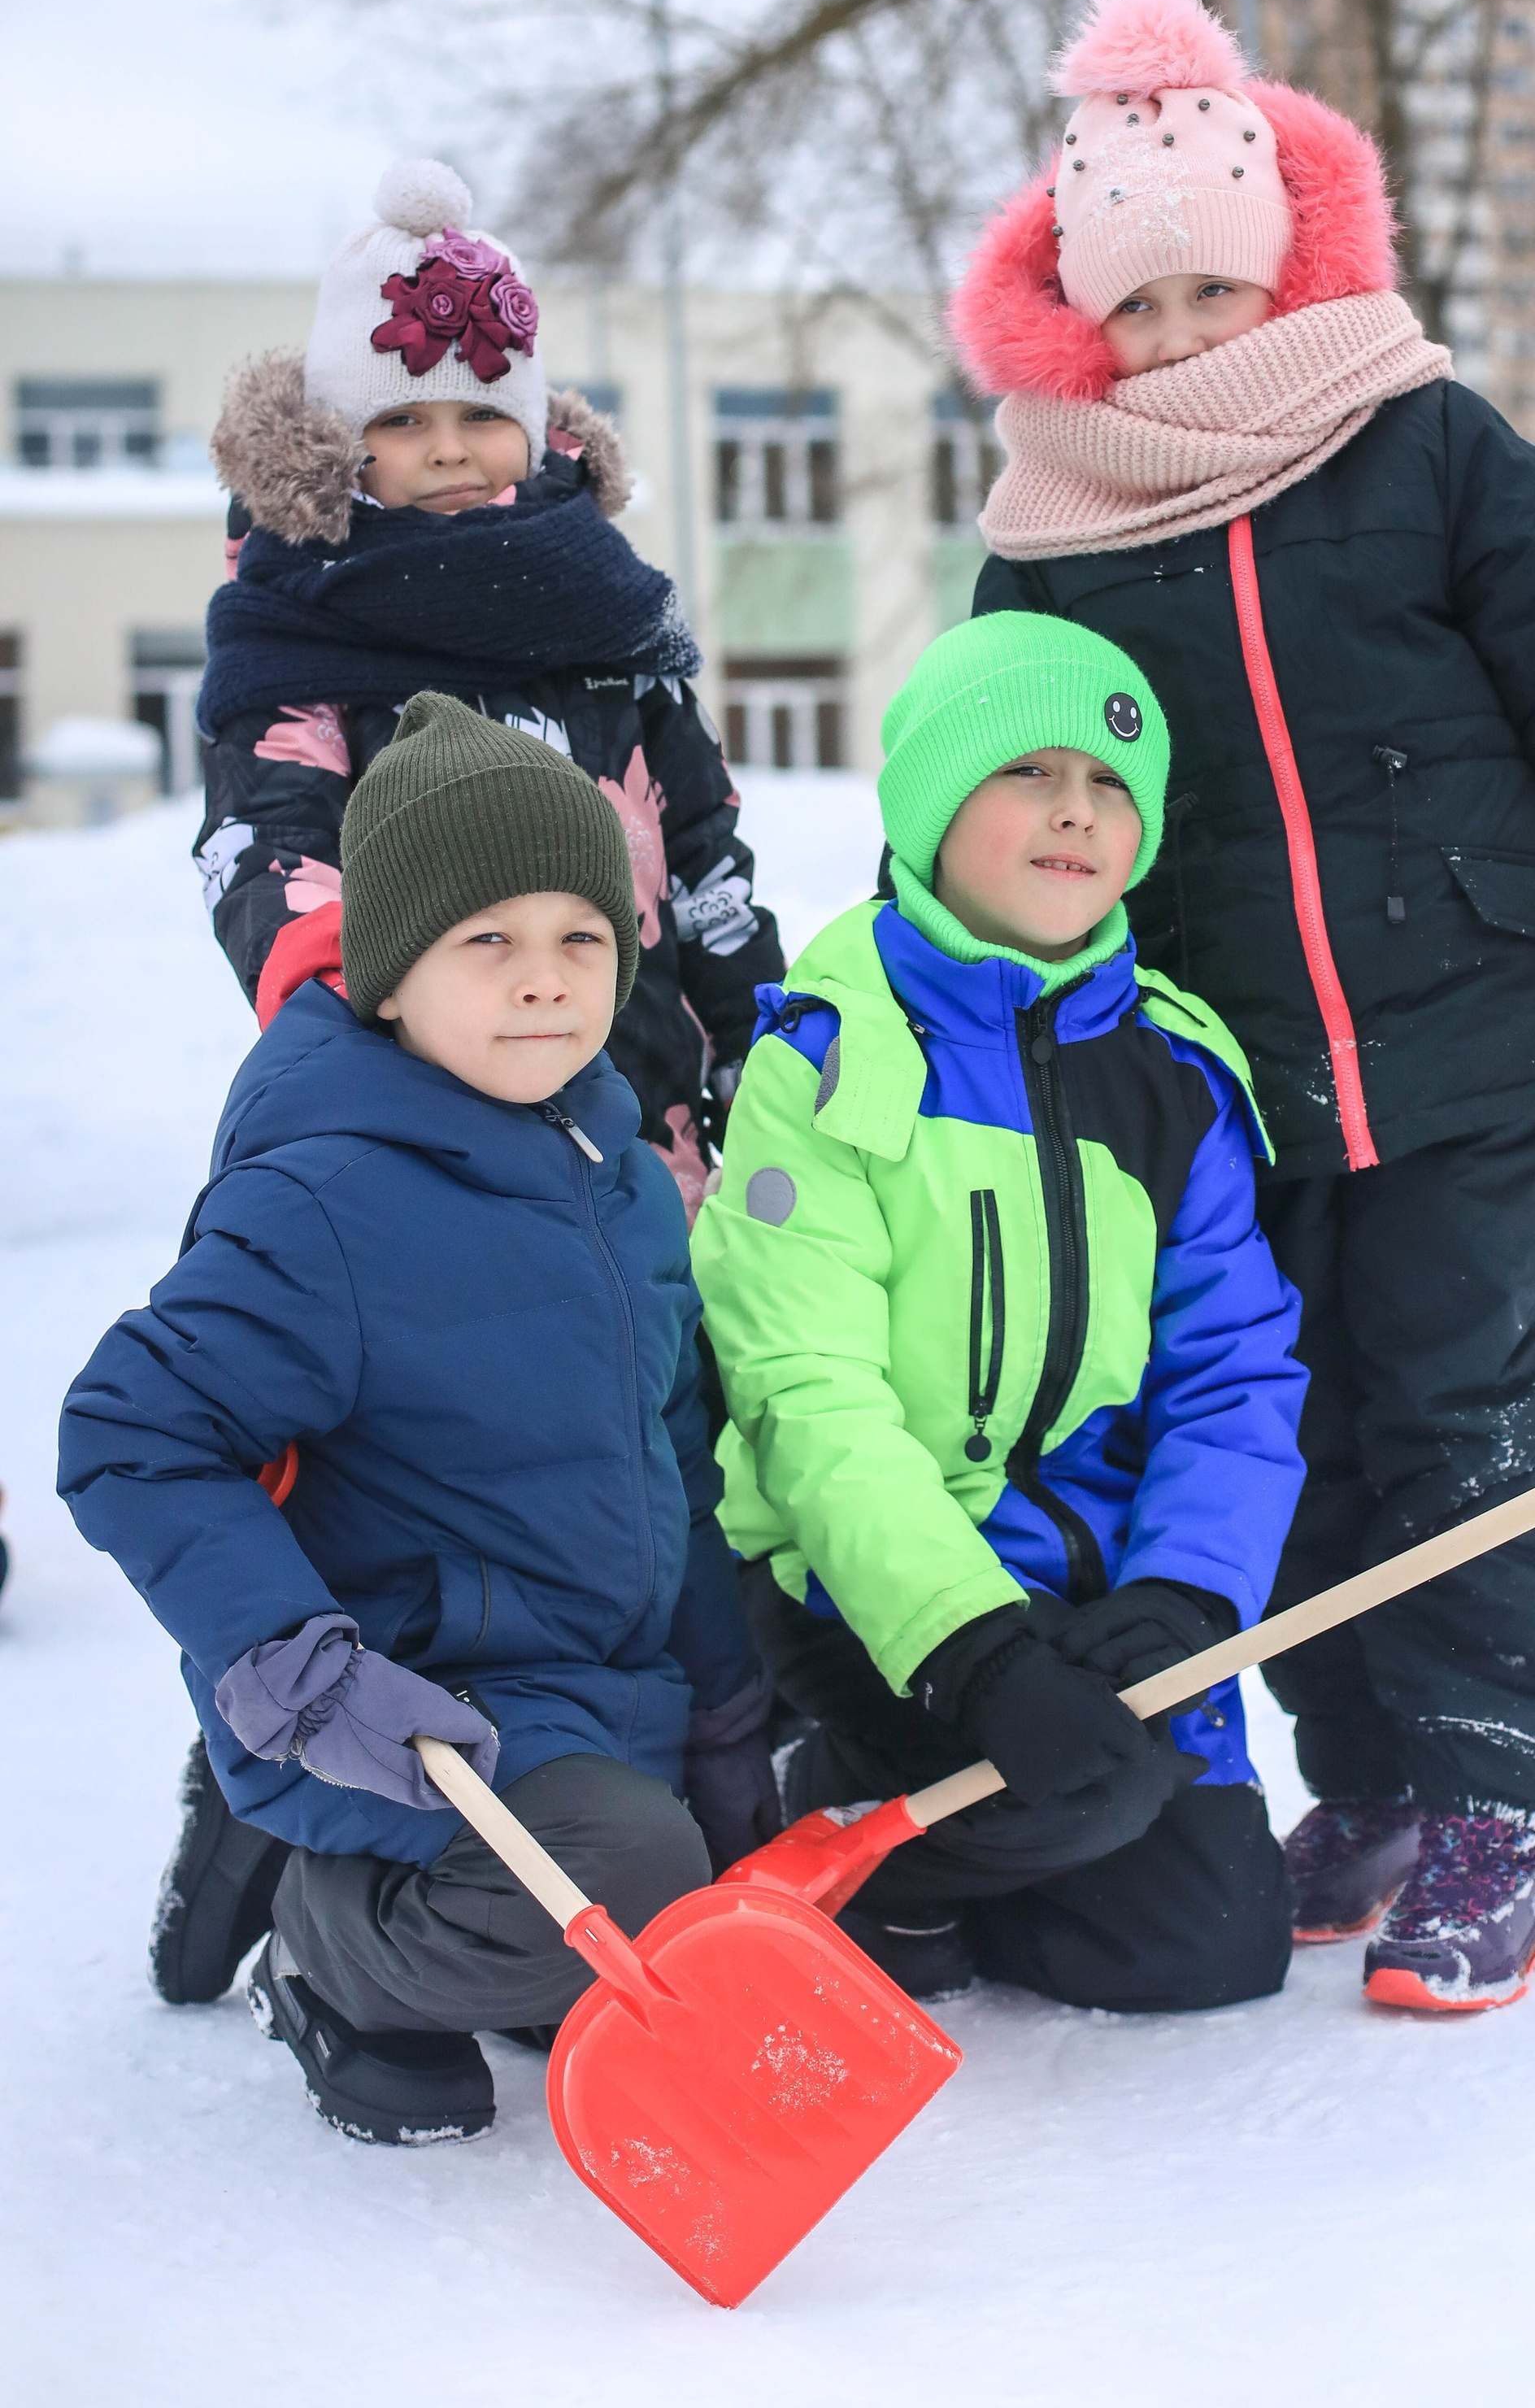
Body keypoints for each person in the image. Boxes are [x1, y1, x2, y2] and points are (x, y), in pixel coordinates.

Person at [956, 0, 1535, 2014]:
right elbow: (988, 784)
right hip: (1214, 1079)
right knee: (1268, 1423)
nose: (1171, 339)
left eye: (1204, 292)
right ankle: (1371, 1773)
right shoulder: (1054, 529)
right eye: (1128, 308)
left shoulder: (1423, 443)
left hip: (1478, 1025)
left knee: (1447, 1392)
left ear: (1287, 259)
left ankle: (1497, 1800)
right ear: (1070, 317)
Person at [59, 698, 777, 2145]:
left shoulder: (621, 1173)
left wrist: (725, 1703)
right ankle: (325, 1944)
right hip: (397, 1711)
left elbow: (667, 1452)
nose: (543, 984)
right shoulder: (328, 1195)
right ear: (391, 976)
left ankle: (511, 1922)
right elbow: (129, 1432)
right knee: (630, 1870)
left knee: (701, 1866)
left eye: (581, 939)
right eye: (486, 943)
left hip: (581, 1694)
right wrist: (298, 1671)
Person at [693, 612, 1308, 2012]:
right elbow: (808, 1392)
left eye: (1109, 787)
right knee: (1064, 1810)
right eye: (1029, 774)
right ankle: (829, 1798)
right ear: (931, 800)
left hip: (1092, 1581)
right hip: (869, 1587)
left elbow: (1234, 1371)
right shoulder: (832, 1058)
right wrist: (970, 1649)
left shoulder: (1175, 1072)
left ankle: (946, 1886)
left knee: (1207, 1946)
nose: (1077, 814)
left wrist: (1181, 1596)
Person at [195, 157, 783, 1225]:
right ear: (342, 441)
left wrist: (757, 1043)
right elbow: (272, 853)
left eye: (480, 413)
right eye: (404, 422)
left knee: (664, 1373)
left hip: (651, 1122)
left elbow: (700, 846)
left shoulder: (599, 603)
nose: (451, 449)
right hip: (424, 1127)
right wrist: (361, 1049)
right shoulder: (300, 616)